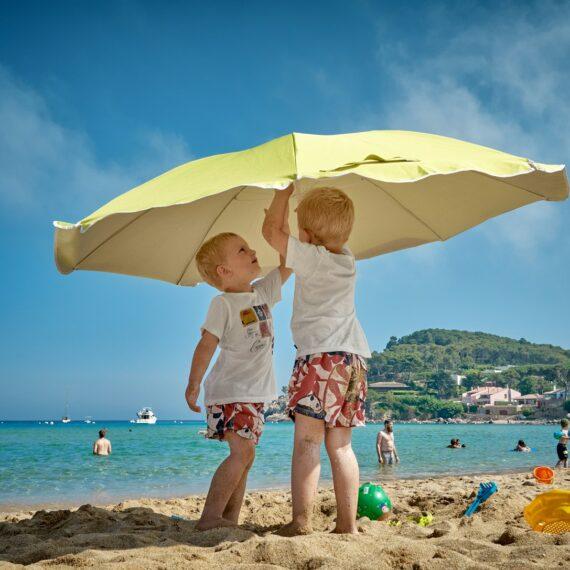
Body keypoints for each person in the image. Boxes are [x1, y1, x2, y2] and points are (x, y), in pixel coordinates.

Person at [263, 185, 370, 535]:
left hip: (320, 359)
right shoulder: (347, 260)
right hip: (353, 360)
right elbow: (288, 245)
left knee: (308, 441)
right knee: (341, 446)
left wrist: (282, 195)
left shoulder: (312, 257)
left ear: (308, 237)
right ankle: (347, 525)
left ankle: (301, 521)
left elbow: (270, 233)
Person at [184, 223, 291, 531]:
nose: (253, 251)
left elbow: (289, 264)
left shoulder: (262, 293)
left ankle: (228, 520)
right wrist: (193, 384)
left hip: (254, 395)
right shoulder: (223, 304)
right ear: (225, 271)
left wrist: (284, 228)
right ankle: (210, 517)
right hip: (231, 392)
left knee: (247, 456)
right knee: (241, 452)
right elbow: (206, 345)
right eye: (242, 250)